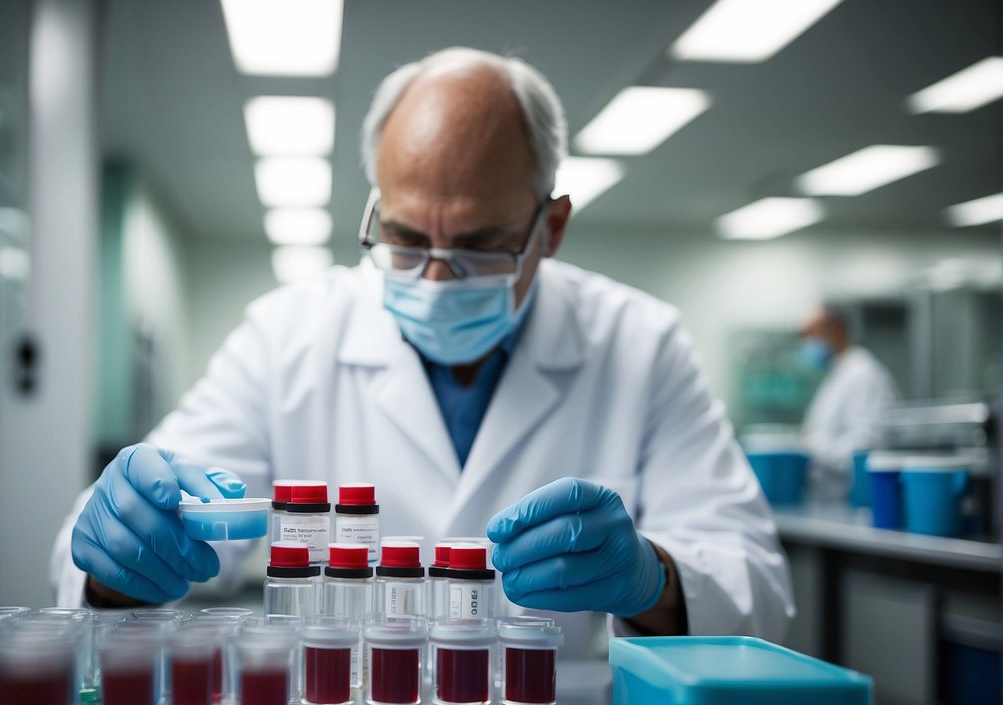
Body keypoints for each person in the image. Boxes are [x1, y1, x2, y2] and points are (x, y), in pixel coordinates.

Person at [50, 47, 794, 641]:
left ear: (551, 227)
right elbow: (116, 552)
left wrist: (652, 576)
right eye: (404, 239)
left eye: (479, 246)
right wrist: (120, 552)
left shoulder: (643, 342)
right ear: (376, 208)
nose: (435, 278)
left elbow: (753, 586)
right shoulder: (286, 336)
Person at [799, 303, 899, 500]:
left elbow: (864, 453)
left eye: (811, 333)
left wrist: (811, 443)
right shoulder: (838, 374)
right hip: (830, 501)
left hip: (854, 502)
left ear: (836, 330)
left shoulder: (864, 375)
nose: (806, 343)